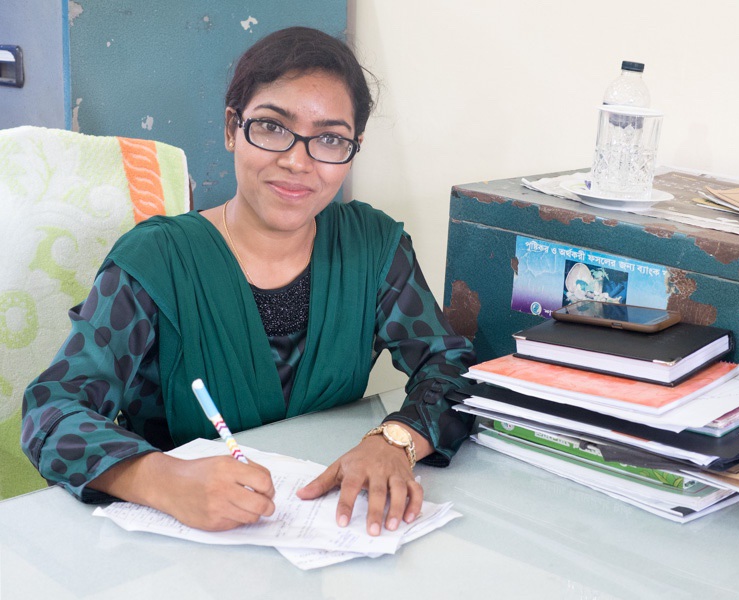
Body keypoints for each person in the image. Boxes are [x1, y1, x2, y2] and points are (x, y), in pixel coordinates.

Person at [20, 26, 475, 536]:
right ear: (233, 128)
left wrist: (396, 440)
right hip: (178, 539)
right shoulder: (157, 259)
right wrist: (162, 479)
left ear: (354, 148)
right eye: (273, 127)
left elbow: (451, 366)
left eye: (329, 139)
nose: (298, 161)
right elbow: (52, 411)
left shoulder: (373, 247)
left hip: (324, 531)